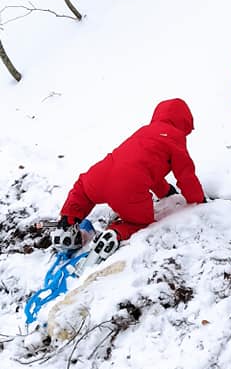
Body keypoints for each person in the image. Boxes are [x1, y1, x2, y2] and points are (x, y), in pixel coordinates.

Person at [52, 98, 205, 260]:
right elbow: (186, 176)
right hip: (127, 188)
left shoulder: (144, 131)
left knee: (83, 189)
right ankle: (115, 233)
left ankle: (68, 221)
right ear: (185, 121)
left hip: (100, 174)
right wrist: (198, 199)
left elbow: (145, 168)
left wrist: (165, 191)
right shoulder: (175, 140)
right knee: (139, 221)